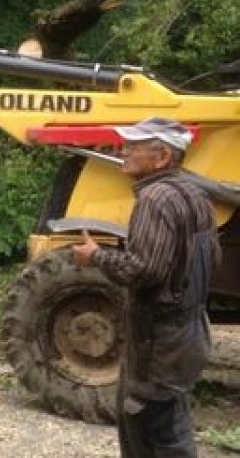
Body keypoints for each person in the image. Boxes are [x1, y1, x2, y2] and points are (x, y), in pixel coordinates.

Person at [71, 117, 221, 457]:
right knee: (167, 424)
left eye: (134, 146)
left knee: (154, 434)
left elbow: (144, 270)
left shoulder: (155, 199)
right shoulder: (198, 196)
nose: (123, 150)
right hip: (187, 333)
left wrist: (96, 257)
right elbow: (211, 259)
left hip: (159, 339)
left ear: (163, 156)